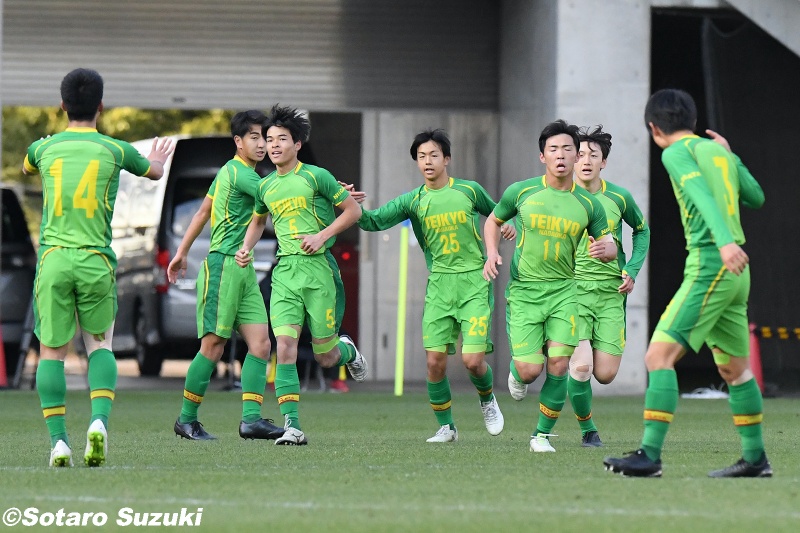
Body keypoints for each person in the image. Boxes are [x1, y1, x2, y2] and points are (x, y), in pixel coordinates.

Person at [604, 89, 769, 478]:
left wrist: (725, 243)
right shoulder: (718, 153)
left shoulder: (675, 152)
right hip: (737, 272)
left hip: (714, 263)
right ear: (693, 122)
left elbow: (700, 193)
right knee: (734, 371)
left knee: (657, 357)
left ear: (653, 127)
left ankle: (649, 456)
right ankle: (756, 459)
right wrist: (731, 156)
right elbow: (757, 197)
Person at [22, 68, 174, 467]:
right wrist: (156, 159)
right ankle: (99, 423)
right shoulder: (115, 149)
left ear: (62, 105)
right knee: (100, 346)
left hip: (55, 260)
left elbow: (26, 165)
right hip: (95, 261)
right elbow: (154, 172)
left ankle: (58, 443)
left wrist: (41, 147)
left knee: (52, 352)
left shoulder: (44, 149)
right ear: (101, 107)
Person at [357, 128, 514, 443]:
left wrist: (505, 226)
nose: (427, 161)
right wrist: (346, 203)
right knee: (434, 362)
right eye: (421, 156)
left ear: (447, 159)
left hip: (474, 282)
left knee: (472, 361)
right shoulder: (413, 201)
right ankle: (447, 427)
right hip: (440, 285)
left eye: (433, 155)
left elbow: (498, 213)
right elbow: (372, 221)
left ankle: (487, 400)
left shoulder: (469, 191)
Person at [236, 104, 367, 446]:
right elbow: (258, 219)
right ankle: (292, 425)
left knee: (326, 356)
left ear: (297, 144)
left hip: (319, 272)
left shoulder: (316, 176)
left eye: (281, 139)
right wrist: (246, 247)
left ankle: (348, 351)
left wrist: (321, 236)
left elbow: (353, 210)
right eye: (269, 139)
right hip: (285, 274)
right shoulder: (265, 187)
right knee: (286, 346)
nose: (273, 145)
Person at [483, 119, 617, 453]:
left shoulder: (589, 204)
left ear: (576, 156)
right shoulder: (522, 191)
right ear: (542, 156)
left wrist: (606, 249)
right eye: (553, 149)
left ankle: (541, 435)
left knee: (560, 364)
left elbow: (610, 242)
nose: (561, 155)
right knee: (530, 371)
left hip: (564, 292)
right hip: (526, 292)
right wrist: (491, 252)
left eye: (567, 149)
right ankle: (519, 372)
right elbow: (493, 221)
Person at [168, 110, 284, 441]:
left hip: (243, 269)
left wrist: (181, 253)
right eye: (255, 137)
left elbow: (203, 212)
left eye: (266, 137)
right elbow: (276, 197)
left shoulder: (229, 173)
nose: (263, 144)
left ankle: (251, 420)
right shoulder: (240, 174)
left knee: (261, 345)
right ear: (238, 141)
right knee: (213, 346)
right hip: (222, 266)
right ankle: (186, 419)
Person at [567, 126, 650, 447]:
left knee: (605, 374)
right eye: (581, 154)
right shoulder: (560, 196)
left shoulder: (619, 197)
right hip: (572, 292)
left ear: (604, 162)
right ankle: (589, 431)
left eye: (594, 155)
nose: (586, 160)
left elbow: (642, 231)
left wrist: (631, 268)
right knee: (583, 365)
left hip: (611, 294)